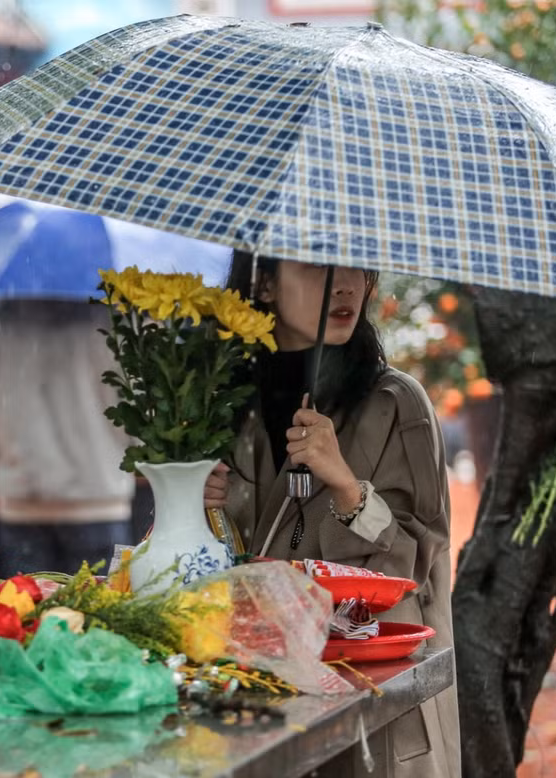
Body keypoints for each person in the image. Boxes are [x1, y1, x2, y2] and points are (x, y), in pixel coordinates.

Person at [207, 252, 459, 778]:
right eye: (319, 266)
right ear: (265, 285)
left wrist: (345, 486)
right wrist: (194, 503)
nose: (347, 285)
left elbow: (417, 566)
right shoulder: (224, 404)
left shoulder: (396, 404)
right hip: (259, 696)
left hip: (372, 708)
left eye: (358, 265)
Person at [0, 299, 135, 578]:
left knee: (25, 604)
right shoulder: (116, 320)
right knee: (102, 604)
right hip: (100, 499)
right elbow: (139, 413)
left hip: (21, 502)